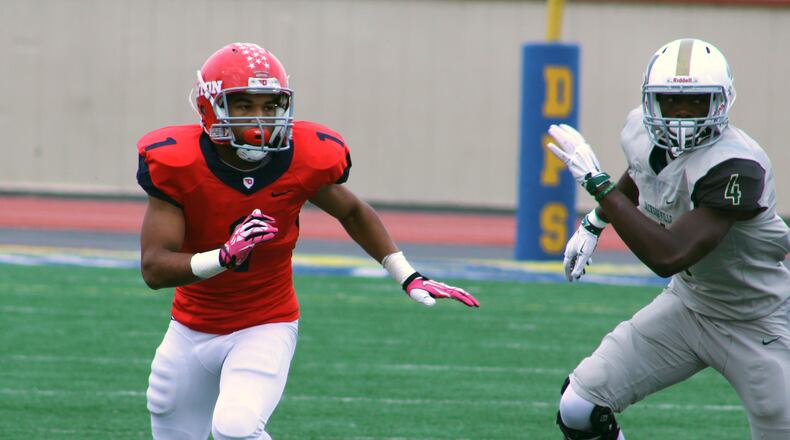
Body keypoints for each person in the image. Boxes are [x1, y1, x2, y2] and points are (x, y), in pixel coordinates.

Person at [136, 42, 480, 440]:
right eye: (244, 105)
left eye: (269, 106)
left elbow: (352, 211)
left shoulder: (302, 157)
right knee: (171, 426)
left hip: (265, 324)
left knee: (236, 428)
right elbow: (154, 268)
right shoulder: (179, 164)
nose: (259, 119)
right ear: (210, 108)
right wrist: (223, 257)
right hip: (190, 328)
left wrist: (407, 274)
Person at [546, 38, 790, 440]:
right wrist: (594, 221)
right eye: (670, 101)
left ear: (721, 102)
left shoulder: (736, 165)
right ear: (650, 102)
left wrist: (597, 185)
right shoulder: (640, 133)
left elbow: (669, 254)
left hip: (758, 319)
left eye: (696, 103)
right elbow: (641, 175)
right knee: (579, 406)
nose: (681, 115)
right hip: (690, 306)